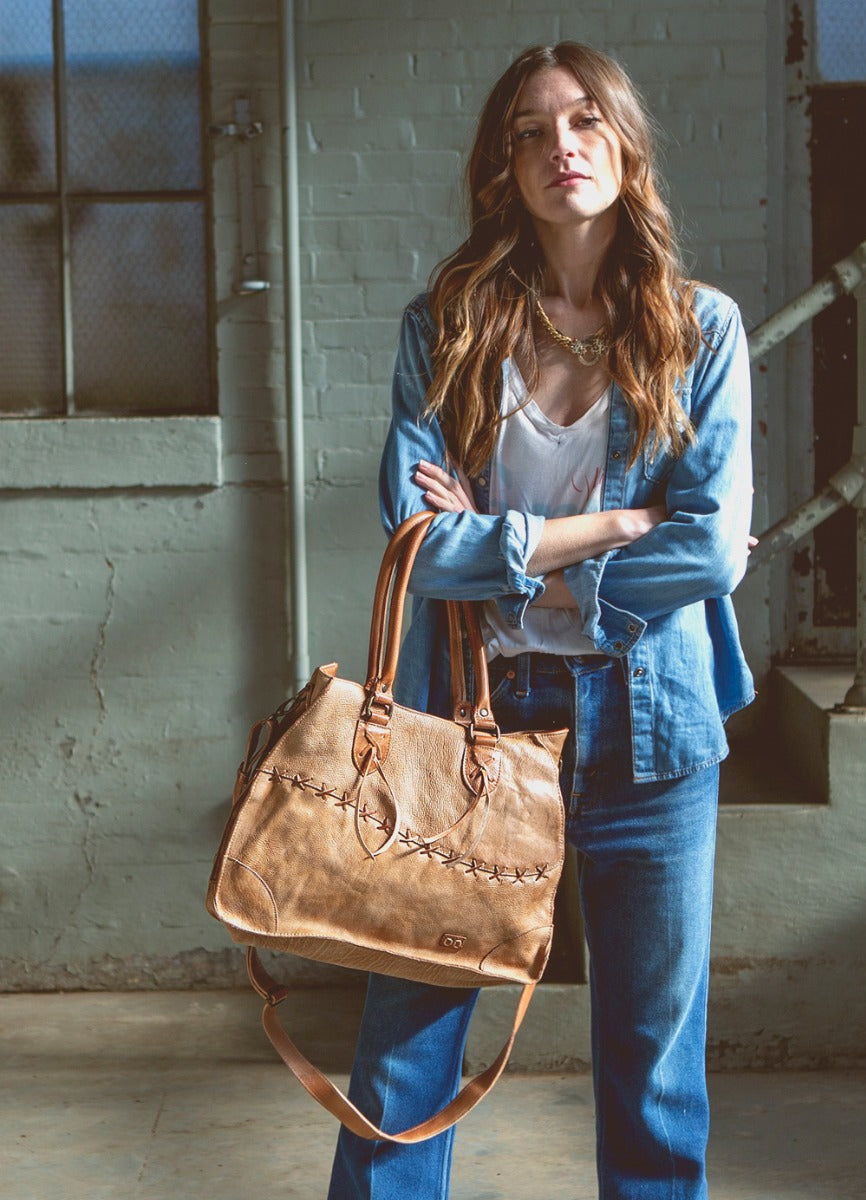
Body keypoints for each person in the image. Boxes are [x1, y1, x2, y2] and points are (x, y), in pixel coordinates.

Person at [328, 41, 755, 1200]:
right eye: (531, 128)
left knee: (651, 1054)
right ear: (500, 166)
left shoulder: (699, 330)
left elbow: (711, 546)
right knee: (406, 1037)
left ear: (623, 148)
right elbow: (419, 549)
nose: (560, 145)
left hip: (652, 721)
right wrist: (609, 529)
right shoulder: (446, 326)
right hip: (472, 715)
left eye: (583, 122)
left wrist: (511, 561)